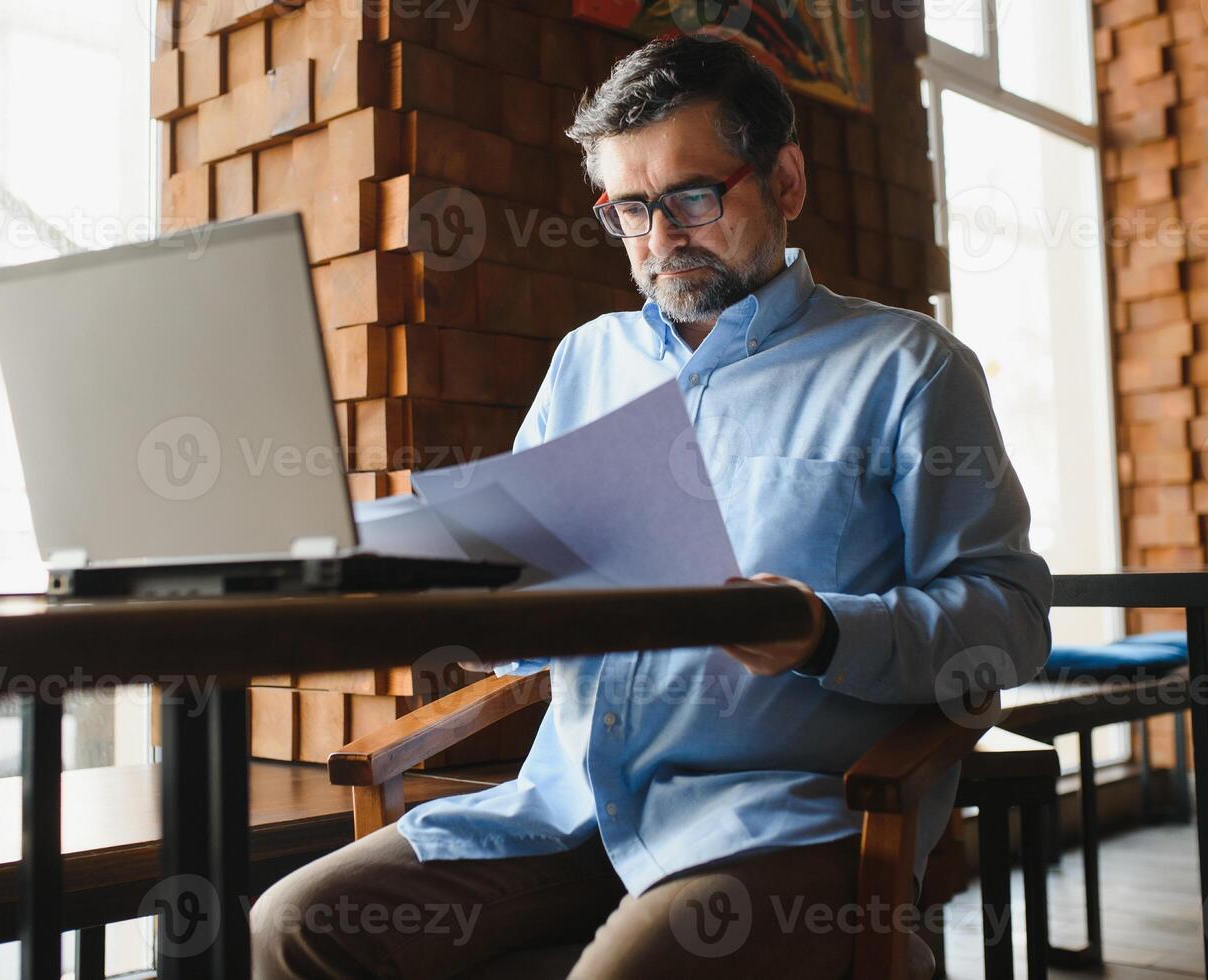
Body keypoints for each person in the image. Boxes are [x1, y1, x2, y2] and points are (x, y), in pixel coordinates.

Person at [251, 34, 1052, 979]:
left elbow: (1010, 621)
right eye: (629, 208)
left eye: (692, 198)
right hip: (568, 805)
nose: (660, 238)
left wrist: (822, 632)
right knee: (296, 921)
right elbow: (535, 601)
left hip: (777, 823)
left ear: (785, 181)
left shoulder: (907, 369)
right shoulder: (586, 362)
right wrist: (470, 595)